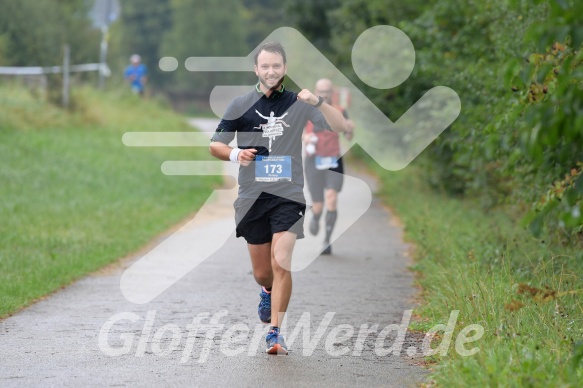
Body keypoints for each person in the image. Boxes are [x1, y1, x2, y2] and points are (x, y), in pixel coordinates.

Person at [209, 41, 347, 355]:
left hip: (289, 194)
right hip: (252, 197)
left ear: (284, 69)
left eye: (277, 66)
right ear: (256, 69)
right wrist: (235, 153)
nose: (271, 71)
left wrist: (320, 102)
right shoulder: (240, 104)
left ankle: (275, 332)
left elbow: (339, 127)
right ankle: (266, 289)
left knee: (282, 261)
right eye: (265, 66)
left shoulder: (299, 103)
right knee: (263, 272)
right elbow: (215, 145)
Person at [303, 79, 355, 255]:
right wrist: (306, 138)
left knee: (332, 197)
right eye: (321, 91)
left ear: (332, 92)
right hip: (313, 159)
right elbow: (299, 130)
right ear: (316, 91)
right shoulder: (307, 109)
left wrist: (350, 129)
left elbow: (348, 135)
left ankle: (327, 241)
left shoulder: (340, 111)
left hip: (333, 158)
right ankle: (316, 216)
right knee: (318, 204)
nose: (324, 94)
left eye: (327, 91)